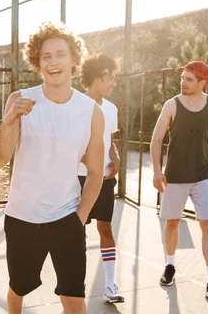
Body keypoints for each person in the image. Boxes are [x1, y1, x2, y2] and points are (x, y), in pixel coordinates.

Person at [0, 22, 105, 314]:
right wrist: (8, 122)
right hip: (22, 216)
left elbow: (95, 171)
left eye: (60, 54)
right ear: (38, 63)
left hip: (67, 216)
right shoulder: (21, 100)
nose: (53, 62)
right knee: (18, 288)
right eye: (46, 57)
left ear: (74, 59)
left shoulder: (91, 111)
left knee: (74, 299)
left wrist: (79, 217)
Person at [150, 61, 208, 301]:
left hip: (203, 175)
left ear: (202, 82)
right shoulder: (172, 105)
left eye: (189, 79)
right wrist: (156, 170)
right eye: (182, 78)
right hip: (175, 176)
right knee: (173, 222)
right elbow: (156, 139)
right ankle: (170, 265)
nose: (183, 82)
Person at [77, 54, 124, 304]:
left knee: (105, 228)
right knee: (77, 232)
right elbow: (71, 145)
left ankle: (109, 285)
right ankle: (76, 285)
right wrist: (89, 162)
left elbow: (110, 142)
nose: (113, 83)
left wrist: (114, 159)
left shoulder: (111, 108)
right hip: (79, 179)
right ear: (97, 79)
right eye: (110, 78)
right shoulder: (74, 105)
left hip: (104, 181)